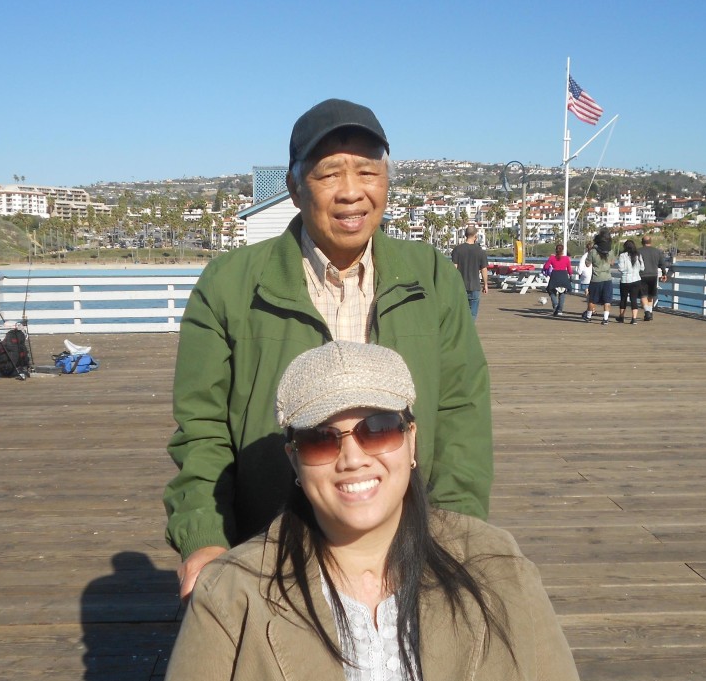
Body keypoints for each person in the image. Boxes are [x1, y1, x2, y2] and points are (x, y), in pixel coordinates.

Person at [165, 99, 494, 602]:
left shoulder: (430, 276)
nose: (351, 192)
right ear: (295, 188)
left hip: (409, 542)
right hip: (272, 542)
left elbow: (461, 413)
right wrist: (205, 539)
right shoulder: (228, 285)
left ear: (386, 181)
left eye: (368, 171)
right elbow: (202, 430)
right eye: (329, 174)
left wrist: (455, 532)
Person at [160, 341, 589, 681]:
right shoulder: (232, 597)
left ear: (411, 439)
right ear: (294, 458)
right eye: (321, 438)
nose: (352, 458)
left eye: (378, 430)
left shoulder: (500, 568)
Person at [450, 224, 488, 319]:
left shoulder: (457, 250)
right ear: (475, 236)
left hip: (460, 286)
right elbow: (484, 269)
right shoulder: (480, 251)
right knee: (472, 314)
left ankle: (461, 332)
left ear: (465, 235)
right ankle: (469, 332)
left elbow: (454, 268)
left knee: (460, 313)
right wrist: (485, 284)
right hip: (474, 286)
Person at [582, 227, 615, 325]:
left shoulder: (593, 251)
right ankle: (605, 319)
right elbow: (612, 263)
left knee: (592, 299)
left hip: (596, 278)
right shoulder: (610, 251)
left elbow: (587, 264)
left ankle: (588, 316)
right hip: (607, 278)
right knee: (607, 299)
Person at [638, 235, 668, 321]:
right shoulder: (657, 251)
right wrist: (664, 273)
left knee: (643, 295)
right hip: (653, 275)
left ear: (642, 242)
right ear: (651, 242)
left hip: (642, 275)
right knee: (650, 296)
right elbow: (662, 263)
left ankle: (647, 312)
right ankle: (650, 313)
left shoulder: (638, 251)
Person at [617, 239, 645, 324]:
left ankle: (621, 317)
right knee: (634, 299)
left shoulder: (622, 255)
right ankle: (634, 319)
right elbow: (642, 268)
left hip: (625, 280)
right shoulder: (638, 255)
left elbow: (620, 268)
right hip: (636, 280)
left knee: (623, 299)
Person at [542, 242, 573, 316]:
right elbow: (569, 269)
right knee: (562, 293)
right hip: (563, 275)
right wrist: (570, 276)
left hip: (555, 275)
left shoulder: (552, 258)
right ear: (562, 250)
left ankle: (555, 305)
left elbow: (546, 267)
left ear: (555, 250)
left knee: (551, 290)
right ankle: (560, 310)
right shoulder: (566, 258)